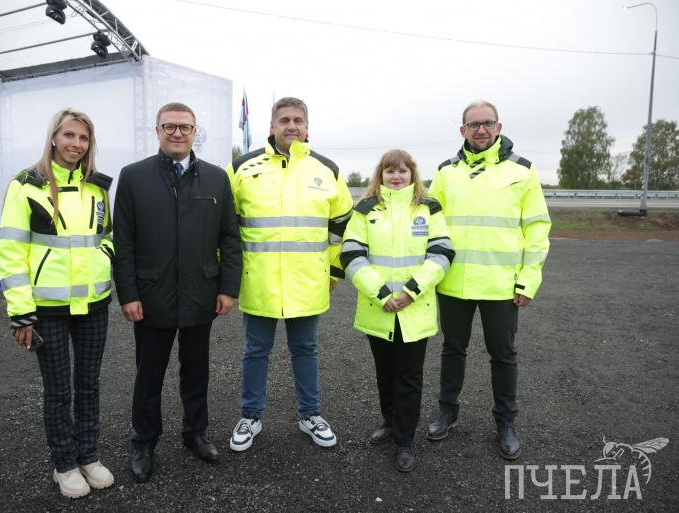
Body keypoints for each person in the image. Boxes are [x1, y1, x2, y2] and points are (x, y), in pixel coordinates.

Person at [113, 102, 241, 482]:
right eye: (169, 126)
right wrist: (128, 294)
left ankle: (195, 434)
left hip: (201, 293)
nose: (177, 133)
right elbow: (124, 242)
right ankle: (144, 441)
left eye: (185, 127)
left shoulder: (216, 179)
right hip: (151, 296)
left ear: (195, 132)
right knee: (148, 375)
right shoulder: (133, 177)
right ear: (157, 131)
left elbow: (229, 238)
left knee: (196, 371)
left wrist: (228, 288)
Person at [0, 108, 115, 498]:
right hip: (47, 309)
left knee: (89, 385)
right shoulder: (25, 186)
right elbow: (11, 253)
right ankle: (64, 464)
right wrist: (20, 313)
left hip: (94, 304)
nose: (75, 144)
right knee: (59, 391)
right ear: (53, 137)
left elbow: (107, 237)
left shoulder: (97, 188)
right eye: (69, 135)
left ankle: (88, 456)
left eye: (83, 138)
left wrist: (106, 258)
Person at [226, 97, 355, 452]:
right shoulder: (242, 168)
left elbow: (342, 224)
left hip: (308, 281)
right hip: (258, 280)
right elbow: (225, 226)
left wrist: (333, 269)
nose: (292, 126)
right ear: (272, 126)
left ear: (307, 127)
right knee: (256, 350)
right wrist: (229, 274)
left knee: (306, 350)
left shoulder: (326, 169)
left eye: (298, 120)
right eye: (284, 120)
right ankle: (250, 416)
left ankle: (310, 415)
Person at [425, 100, 551, 460]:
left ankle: (505, 422)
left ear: (498, 127)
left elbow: (537, 228)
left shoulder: (522, 171)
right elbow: (431, 224)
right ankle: (447, 412)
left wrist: (528, 280)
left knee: (503, 355)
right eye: (473, 125)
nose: (480, 130)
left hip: (501, 285)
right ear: (462, 130)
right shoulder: (446, 172)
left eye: (487, 123)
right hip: (455, 282)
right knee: (453, 349)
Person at [340, 150, 454, 472]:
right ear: (381, 174)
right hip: (378, 308)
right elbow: (351, 254)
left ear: (412, 174)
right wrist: (381, 294)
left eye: (403, 170)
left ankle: (404, 441)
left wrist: (410, 292)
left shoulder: (429, 208)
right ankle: (389, 423)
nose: (396, 176)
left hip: (414, 309)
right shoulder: (365, 209)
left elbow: (442, 253)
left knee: (409, 377)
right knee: (385, 373)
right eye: (390, 170)